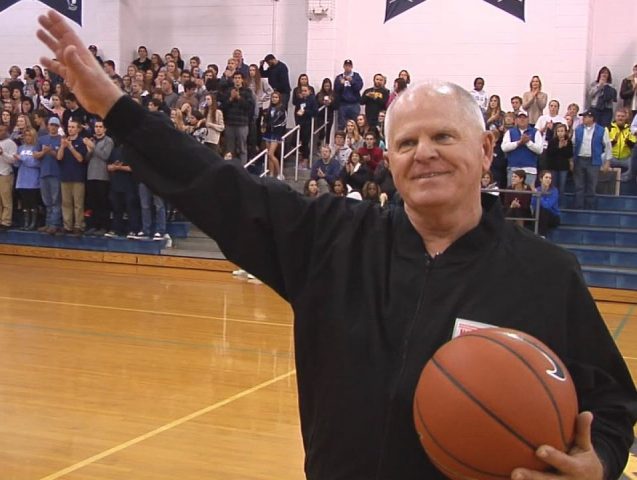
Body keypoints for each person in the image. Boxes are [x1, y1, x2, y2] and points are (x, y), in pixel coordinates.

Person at [36, 11, 637, 480]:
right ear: (390, 161)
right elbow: (215, 185)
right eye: (406, 143)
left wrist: (599, 462)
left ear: (485, 152)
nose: (423, 152)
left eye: (444, 136)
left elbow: (611, 403)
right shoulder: (331, 237)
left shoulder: (544, 272)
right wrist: (117, 109)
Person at [572, 109, 612, 209]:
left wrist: (607, 161)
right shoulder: (578, 129)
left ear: (592, 118)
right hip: (580, 159)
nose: (583, 119)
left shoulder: (602, 130)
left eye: (585, 117)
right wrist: (571, 160)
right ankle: (578, 207)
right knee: (579, 185)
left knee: (592, 185)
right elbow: (573, 144)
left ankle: (590, 208)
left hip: (593, 161)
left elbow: (608, 146)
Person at [501, 109, 543, 187]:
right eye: (520, 117)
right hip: (513, 169)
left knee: (529, 196)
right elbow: (504, 147)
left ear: (528, 119)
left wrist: (528, 142)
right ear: (516, 119)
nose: (522, 119)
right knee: (513, 194)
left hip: (530, 170)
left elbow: (539, 150)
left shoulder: (535, 132)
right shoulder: (510, 132)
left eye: (524, 117)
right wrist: (518, 143)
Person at [334, 59, 363, 130]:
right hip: (343, 104)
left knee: (355, 124)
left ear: (352, 66)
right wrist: (341, 84)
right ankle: (342, 140)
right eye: (346, 66)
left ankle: (355, 139)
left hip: (354, 104)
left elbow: (359, 87)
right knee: (342, 124)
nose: (347, 67)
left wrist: (352, 81)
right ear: (343, 66)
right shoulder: (339, 77)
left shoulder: (356, 76)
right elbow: (336, 90)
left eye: (349, 66)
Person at [532, 170, 560, 237]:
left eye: (550, 178)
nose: (548, 180)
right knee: (539, 212)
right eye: (546, 177)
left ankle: (542, 236)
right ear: (541, 179)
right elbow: (533, 204)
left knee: (544, 210)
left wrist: (538, 195)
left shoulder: (554, 191)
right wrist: (535, 194)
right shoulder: (537, 189)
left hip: (553, 217)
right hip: (540, 214)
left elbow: (547, 206)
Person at [0, 124, 17, 230]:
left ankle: (6, 221)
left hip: (5, 174)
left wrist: (3, 153)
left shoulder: (11, 143)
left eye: (1, 130)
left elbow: (13, 160)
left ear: (6, 131)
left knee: (6, 199)